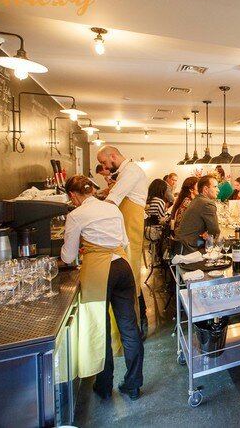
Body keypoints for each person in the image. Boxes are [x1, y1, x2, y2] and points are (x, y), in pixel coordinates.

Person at [61, 175, 144, 400]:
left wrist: (86, 249)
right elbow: (124, 241)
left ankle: (104, 385)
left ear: (73, 195)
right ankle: (133, 384)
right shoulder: (112, 209)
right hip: (122, 265)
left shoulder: (76, 215)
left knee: (100, 327)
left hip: (99, 272)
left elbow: (68, 256)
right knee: (129, 327)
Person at [96, 145, 149, 339]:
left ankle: (138, 324)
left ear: (112, 156)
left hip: (131, 228)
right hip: (125, 229)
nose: (104, 166)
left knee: (131, 276)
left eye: (104, 162)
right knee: (130, 276)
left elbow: (112, 200)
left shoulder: (131, 171)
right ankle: (136, 323)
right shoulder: (124, 172)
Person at [175, 175, 221, 254]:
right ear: (205, 189)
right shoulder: (207, 203)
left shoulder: (197, 199)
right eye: (215, 187)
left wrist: (208, 232)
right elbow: (215, 231)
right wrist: (209, 233)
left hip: (181, 245)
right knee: (223, 247)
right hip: (190, 249)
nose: (218, 190)